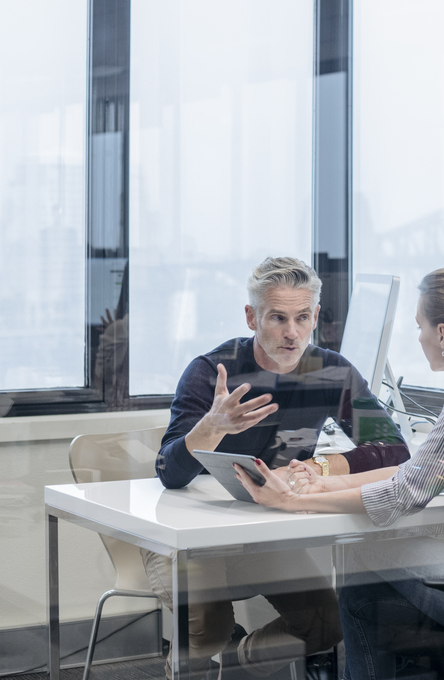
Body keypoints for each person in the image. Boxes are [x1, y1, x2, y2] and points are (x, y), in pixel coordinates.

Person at [235, 266, 444, 680]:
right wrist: (327, 482)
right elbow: (417, 472)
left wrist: (294, 500)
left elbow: (402, 496)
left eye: (420, 327)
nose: (419, 337)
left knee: (359, 551)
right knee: (362, 597)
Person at [146, 256, 410, 679]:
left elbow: (395, 450)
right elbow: (169, 473)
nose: (292, 333)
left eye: (302, 318)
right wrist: (209, 428)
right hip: (188, 535)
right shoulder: (211, 372)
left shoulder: (331, 370)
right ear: (252, 317)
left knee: (328, 621)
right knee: (207, 630)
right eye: (278, 318)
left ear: (316, 317)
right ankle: (205, 654)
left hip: (258, 529)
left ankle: (239, 662)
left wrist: (321, 467)